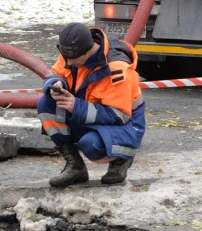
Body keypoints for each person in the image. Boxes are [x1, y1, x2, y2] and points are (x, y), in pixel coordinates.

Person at [37, 23, 146, 188]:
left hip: (125, 126)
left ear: (87, 51)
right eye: (66, 57)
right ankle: (75, 166)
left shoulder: (117, 70)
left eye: (73, 59)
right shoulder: (72, 52)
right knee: (46, 103)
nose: (69, 62)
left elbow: (118, 116)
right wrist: (56, 83)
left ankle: (121, 159)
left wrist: (76, 106)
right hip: (89, 114)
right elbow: (57, 72)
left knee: (91, 145)